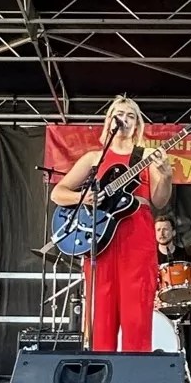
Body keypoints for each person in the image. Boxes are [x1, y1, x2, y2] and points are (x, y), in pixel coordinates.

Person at [51, 96, 172, 352]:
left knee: (136, 309)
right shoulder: (94, 158)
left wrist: (167, 176)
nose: (124, 119)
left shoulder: (147, 156)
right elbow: (58, 193)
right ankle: (99, 373)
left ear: (137, 123)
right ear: (109, 121)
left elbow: (160, 201)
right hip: (99, 237)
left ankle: (135, 377)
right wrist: (83, 198)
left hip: (136, 233)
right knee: (100, 311)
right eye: (119, 114)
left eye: (130, 115)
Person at [154, 216, 191, 368]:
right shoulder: (150, 255)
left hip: (181, 302)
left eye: (165, 229)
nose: (161, 233)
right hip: (157, 303)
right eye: (158, 230)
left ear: (173, 232)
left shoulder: (184, 255)